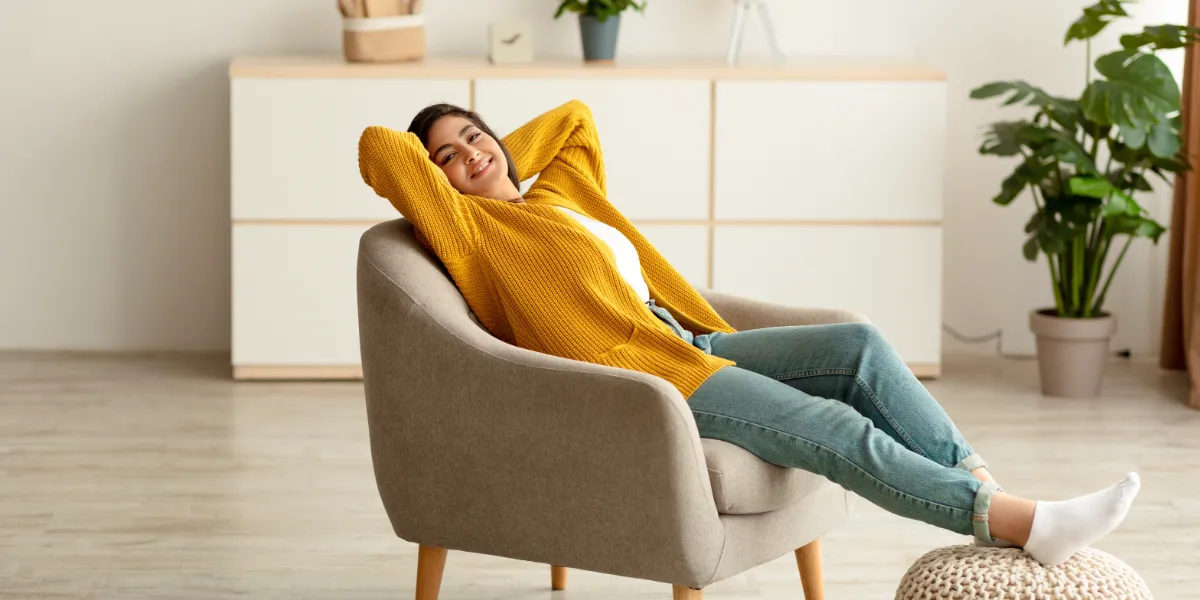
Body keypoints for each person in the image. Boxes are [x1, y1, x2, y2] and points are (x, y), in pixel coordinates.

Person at [356, 99, 1141, 567]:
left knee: (856, 344)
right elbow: (379, 150)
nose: (468, 154)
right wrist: (465, 178)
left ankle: (984, 491)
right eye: (448, 156)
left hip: (693, 341)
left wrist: (502, 160)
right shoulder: (467, 232)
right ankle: (1021, 523)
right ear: (437, 181)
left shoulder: (557, 192)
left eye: (473, 135)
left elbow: (574, 121)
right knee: (831, 425)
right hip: (647, 377)